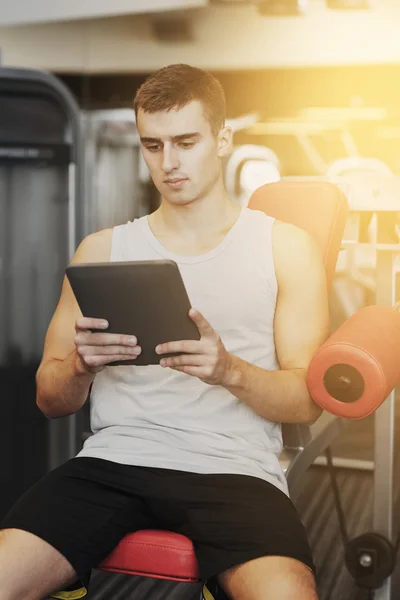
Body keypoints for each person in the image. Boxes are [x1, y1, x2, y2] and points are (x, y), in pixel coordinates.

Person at [0, 64, 329, 600]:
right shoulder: (102, 251)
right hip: (113, 461)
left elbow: (306, 403)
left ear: (223, 140)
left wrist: (229, 371)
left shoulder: (284, 248)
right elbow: (48, 399)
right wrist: (82, 368)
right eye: (152, 145)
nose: (168, 163)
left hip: (233, 469)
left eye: (186, 142)